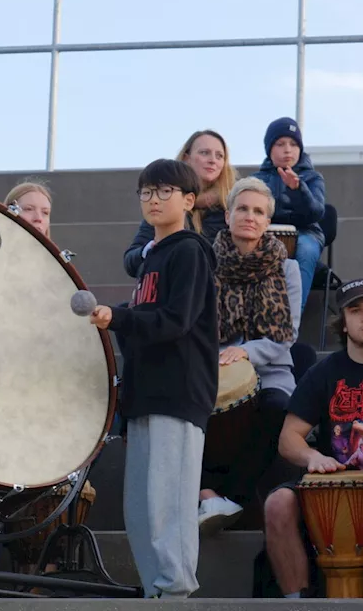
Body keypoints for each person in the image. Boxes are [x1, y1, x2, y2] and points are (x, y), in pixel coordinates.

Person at [88, 159, 218, 599]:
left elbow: (175, 321)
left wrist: (118, 318)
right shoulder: (150, 259)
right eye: (146, 192)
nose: (154, 199)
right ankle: (155, 593)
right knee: (141, 510)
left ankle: (174, 593)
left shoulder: (189, 251)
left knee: (168, 504)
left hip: (178, 392)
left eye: (165, 191)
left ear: (188, 200)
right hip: (146, 395)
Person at [262, 279, 363, 599]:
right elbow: (288, 438)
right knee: (277, 503)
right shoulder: (324, 373)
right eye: (355, 310)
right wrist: (312, 458)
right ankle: (298, 603)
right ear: (344, 324)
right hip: (332, 482)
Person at [199, 177, 304, 532]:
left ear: (266, 221)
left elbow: (286, 334)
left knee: (276, 409)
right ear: (228, 215)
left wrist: (242, 353)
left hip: (270, 369)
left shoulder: (287, 268)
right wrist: (218, 359)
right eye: (242, 208)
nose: (250, 216)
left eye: (258, 211)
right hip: (213, 368)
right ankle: (206, 492)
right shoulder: (206, 264)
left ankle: (231, 499)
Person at [0, 179, 55, 596]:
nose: (39, 218)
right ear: (9, 213)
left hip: (38, 392)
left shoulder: (58, 270)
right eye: (29, 209)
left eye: (46, 212)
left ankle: (39, 571)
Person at [124, 130, 236, 277]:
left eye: (219, 156)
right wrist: (152, 249)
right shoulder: (163, 203)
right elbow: (131, 262)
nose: (213, 160)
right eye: (204, 153)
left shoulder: (233, 206)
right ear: (186, 158)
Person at [254, 117, 326, 312]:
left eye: (294, 144)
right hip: (264, 234)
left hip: (306, 233)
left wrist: (298, 189)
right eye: (280, 144)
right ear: (269, 149)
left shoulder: (313, 178)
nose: (288, 149)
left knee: (307, 249)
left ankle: (292, 317)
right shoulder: (256, 180)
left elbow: (316, 213)